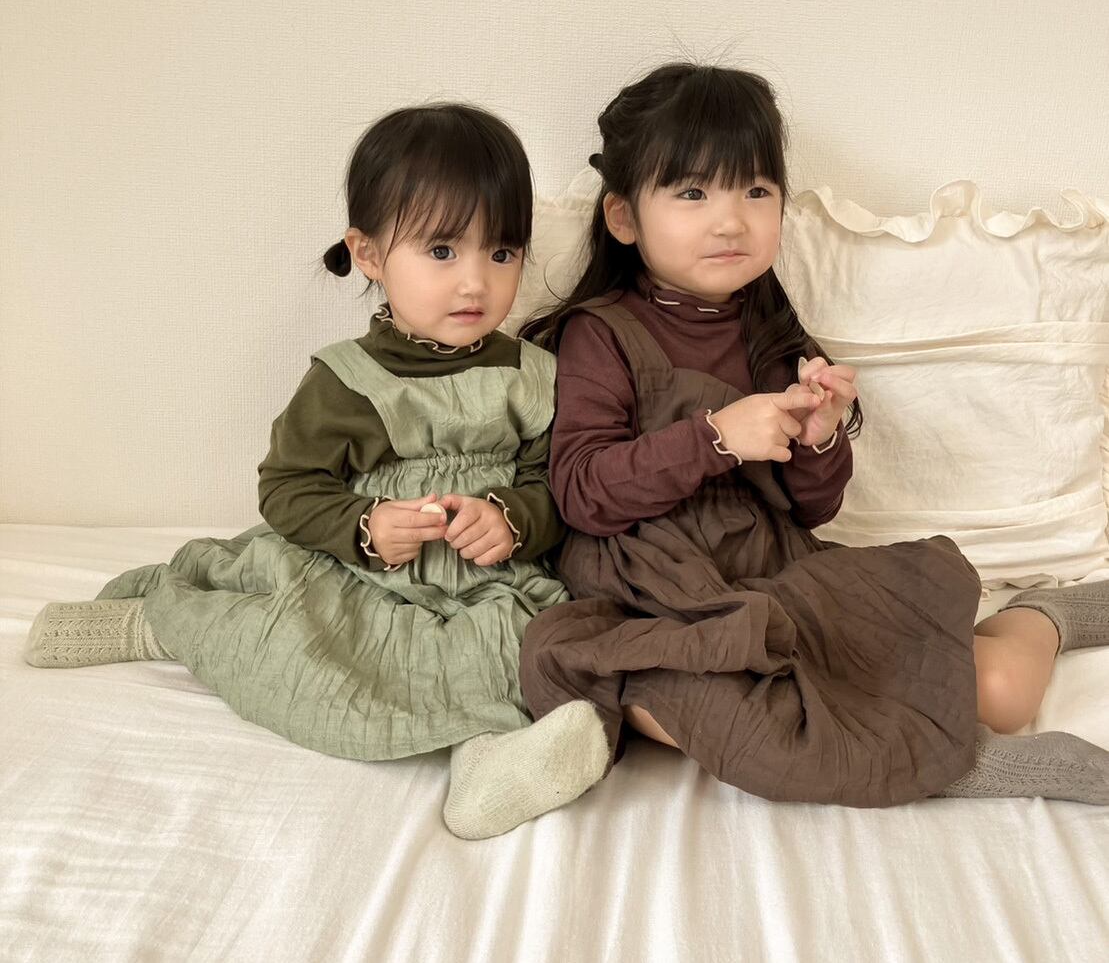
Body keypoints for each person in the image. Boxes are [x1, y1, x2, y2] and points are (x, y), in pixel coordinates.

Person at [440, 63, 1109, 840]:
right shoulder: (601, 332)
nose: (730, 220)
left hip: (772, 579)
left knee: (1001, 692)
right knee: (700, 709)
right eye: (692, 193)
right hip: (649, 590)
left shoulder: (765, 330)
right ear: (623, 217)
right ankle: (957, 766)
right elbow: (583, 492)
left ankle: (1043, 616)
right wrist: (718, 436)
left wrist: (818, 435)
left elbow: (811, 507)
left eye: (755, 191)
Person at [24, 104, 572, 826]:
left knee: (522, 649)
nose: (475, 282)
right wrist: (365, 524)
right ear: (369, 254)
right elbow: (286, 487)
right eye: (442, 250)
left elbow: (556, 482)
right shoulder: (348, 379)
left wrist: (511, 517)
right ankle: (164, 625)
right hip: (365, 571)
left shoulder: (535, 373)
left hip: (485, 578)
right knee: (296, 634)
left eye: (500, 253)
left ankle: (486, 761)